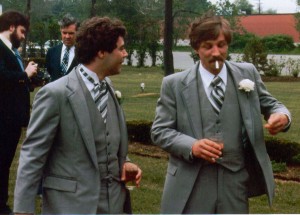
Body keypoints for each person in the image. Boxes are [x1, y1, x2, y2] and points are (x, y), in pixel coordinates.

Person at [151, 13, 291, 214]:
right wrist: (193, 146)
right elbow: (160, 131)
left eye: (221, 45)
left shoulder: (247, 74)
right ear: (196, 48)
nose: (216, 53)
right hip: (192, 182)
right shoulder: (174, 84)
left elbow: (272, 105)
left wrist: (282, 116)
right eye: (208, 46)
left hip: (235, 183)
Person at [14, 16, 142, 214]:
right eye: (121, 48)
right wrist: (23, 210)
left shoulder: (108, 86)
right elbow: (33, 155)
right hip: (71, 205)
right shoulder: (55, 94)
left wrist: (125, 162)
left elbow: (108, 142)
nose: (125, 54)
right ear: (101, 52)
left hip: (115, 204)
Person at [0, 10, 38, 214]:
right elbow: (3, 77)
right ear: (12, 27)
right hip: (3, 119)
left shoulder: (10, 51)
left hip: (11, 120)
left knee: (5, 161)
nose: (23, 37)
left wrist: (29, 79)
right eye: (22, 31)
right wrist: (24, 74)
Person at [45, 13, 79, 81]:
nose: (67, 36)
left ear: (77, 32)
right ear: (60, 31)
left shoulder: (84, 53)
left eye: (71, 33)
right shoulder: (51, 52)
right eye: (64, 33)